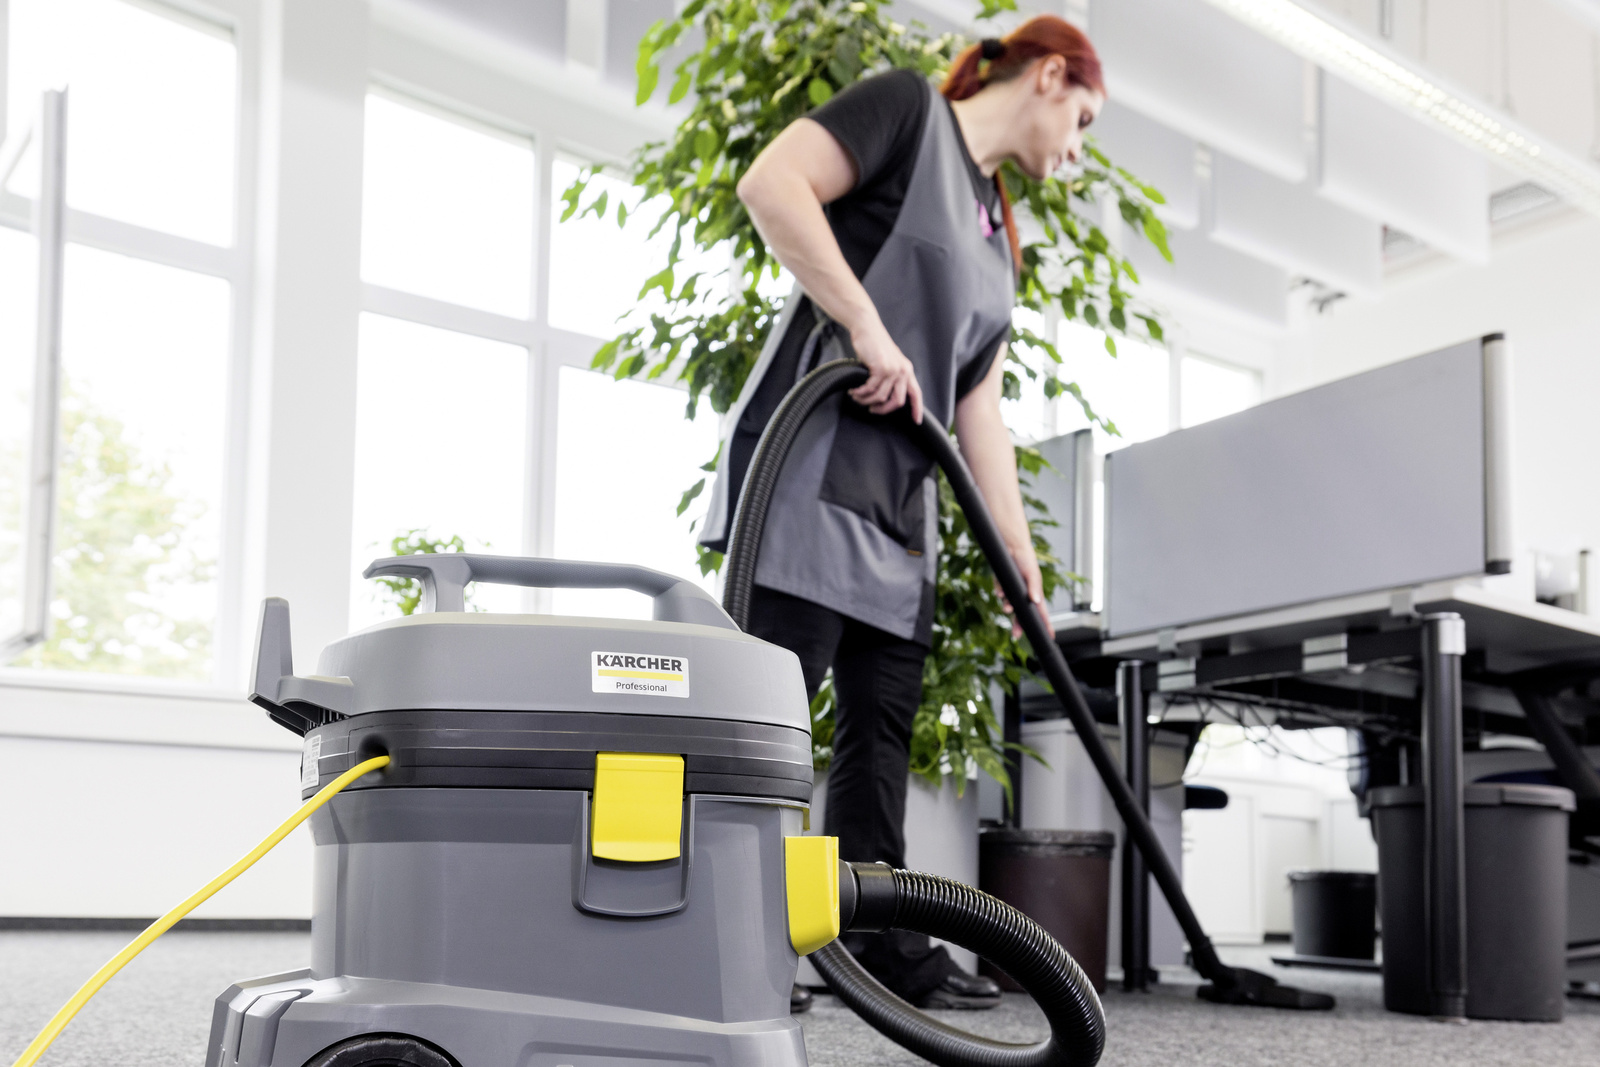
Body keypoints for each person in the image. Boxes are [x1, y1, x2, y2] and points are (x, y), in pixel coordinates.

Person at [698, 15, 1105, 1011]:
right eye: (1085, 120)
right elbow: (770, 185)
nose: (1079, 150)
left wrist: (1019, 556)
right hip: (804, 475)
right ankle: (722, 939)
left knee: (878, 745)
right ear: (1049, 75)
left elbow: (979, 408)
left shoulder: (997, 228)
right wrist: (865, 323)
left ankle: (871, 941)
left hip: (897, 512)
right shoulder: (902, 110)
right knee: (763, 730)